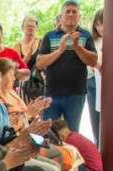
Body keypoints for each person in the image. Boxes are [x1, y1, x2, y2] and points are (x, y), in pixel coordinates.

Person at [32, 1, 99, 133]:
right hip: (52, 93)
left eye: (74, 12)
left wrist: (77, 46)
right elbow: (39, 63)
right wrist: (60, 50)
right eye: (67, 11)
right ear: (61, 16)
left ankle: (71, 154)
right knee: (48, 132)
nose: (70, 14)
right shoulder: (50, 36)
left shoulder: (85, 36)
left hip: (76, 94)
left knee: (72, 133)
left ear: (79, 16)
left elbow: (93, 61)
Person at [87, 9, 104, 145]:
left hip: (108, 83)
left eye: (103, 24)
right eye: (97, 25)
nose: (100, 28)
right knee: (95, 118)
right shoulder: (93, 41)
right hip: (94, 81)